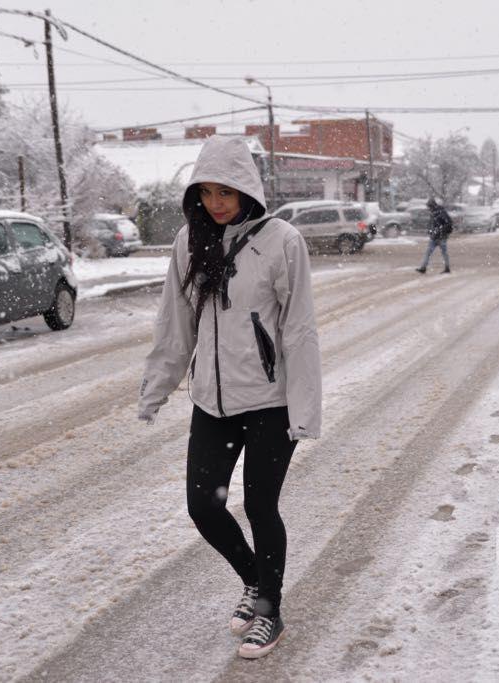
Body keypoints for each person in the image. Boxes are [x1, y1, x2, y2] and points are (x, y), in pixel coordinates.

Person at [138, 136, 322, 660]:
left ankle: (271, 612)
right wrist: (158, 385)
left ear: (248, 189)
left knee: (261, 506)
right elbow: (176, 323)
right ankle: (255, 581)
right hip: (211, 403)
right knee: (204, 506)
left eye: (227, 191)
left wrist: (304, 410)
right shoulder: (189, 242)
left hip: (270, 401)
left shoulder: (282, 241)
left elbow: (300, 330)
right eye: (207, 192)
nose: (217, 202)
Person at [415, 197, 453, 274]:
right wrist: (431, 231)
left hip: (441, 236)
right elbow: (432, 224)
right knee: (434, 252)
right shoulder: (436, 212)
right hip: (436, 236)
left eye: (429, 206)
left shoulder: (440, 212)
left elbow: (447, 223)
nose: (428, 208)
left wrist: (438, 230)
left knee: (439, 252)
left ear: (432, 205)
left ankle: (446, 268)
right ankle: (424, 267)